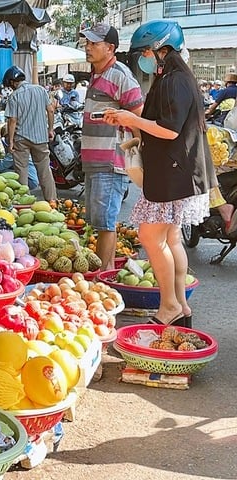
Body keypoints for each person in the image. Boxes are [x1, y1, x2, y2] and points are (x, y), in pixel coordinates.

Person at [104, 20, 216, 328]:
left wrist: (132, 119)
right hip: (175, 172)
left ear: (160, 50)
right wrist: (129, 123)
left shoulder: (174, 81)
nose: (143, 58)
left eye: (145, 52)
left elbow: (169, 130)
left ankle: (169, 306)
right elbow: (165, 126)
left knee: (151, 237)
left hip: (174, 174)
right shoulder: (173, 78)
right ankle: (180, 306)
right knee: (170, 239)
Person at [79, 23, 144, 272]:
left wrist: (136, 157)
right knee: (100, 221)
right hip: (95, 162)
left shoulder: (120, 76)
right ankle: (106, 273)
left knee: (105, 222)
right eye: (87, 43)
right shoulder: (97, 74)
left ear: (110, 48)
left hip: (111, 161)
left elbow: (139, 119)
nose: (88, 47)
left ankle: (101, 276)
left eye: (94, 43)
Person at [3, 65, 57, 202]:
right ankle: (52, 201)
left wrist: (10, 141)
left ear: (12, 82)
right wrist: (50, 129)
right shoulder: (40, 90)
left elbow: (12, 120)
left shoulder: (14, 96)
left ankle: (23, 203)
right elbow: (50, 110)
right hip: (41, 138)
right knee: (45, 171)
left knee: (21, 171)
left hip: (21, 138)